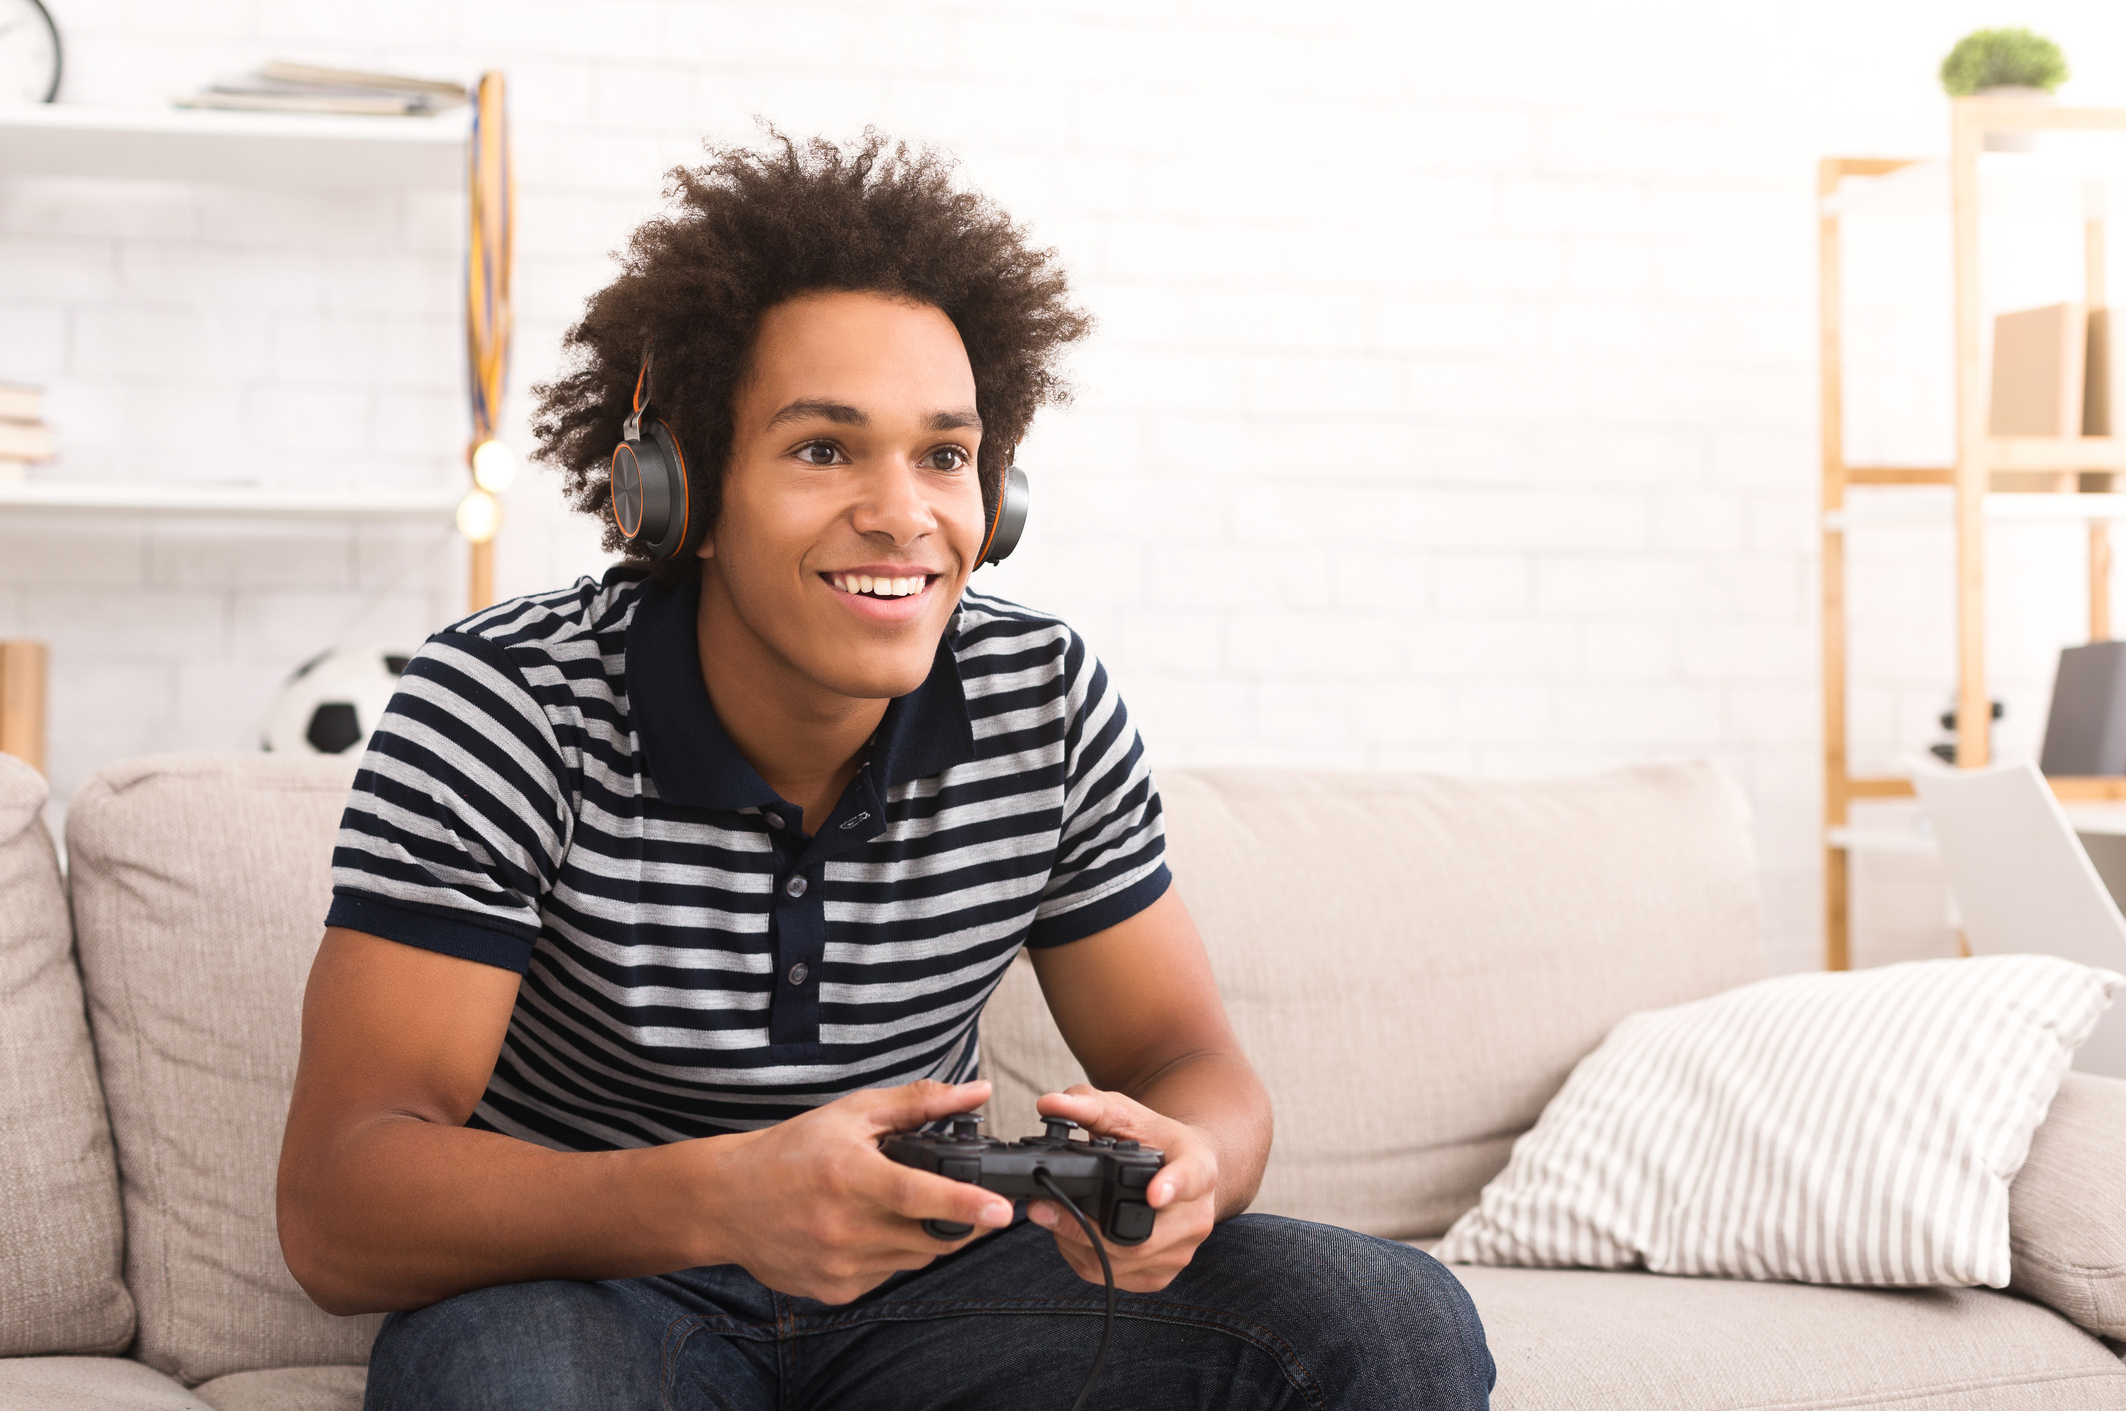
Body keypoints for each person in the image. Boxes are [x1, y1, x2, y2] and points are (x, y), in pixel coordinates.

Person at [278, 131, 1494, 1411]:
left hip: (937, 1292)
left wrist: (1200, 1162)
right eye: (822, 450)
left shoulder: (1042, 700)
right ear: (678, 486)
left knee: (1381, 1321)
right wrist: (727, 1196)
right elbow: (340, 1207)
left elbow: (1179, 1053)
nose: (905, 514)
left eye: (944, 455)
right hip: (599, 1286)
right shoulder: (507, 705)